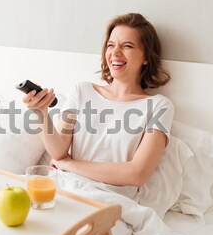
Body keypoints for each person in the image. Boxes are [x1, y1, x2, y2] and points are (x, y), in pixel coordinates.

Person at [22, 13, 173, 197]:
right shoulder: (82, 91)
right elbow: (58, 151)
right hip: (64, 187)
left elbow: (138, 174)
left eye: (127, 46)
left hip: (108, 198)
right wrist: (41, 113)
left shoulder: (159, 106)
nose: (115, 52)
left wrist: (70, 165)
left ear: (146, 57)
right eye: (111, 45)